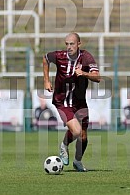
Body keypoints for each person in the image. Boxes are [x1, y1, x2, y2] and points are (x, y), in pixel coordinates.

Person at [43, 32, 100, 172]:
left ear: (79, 44)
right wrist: (46, 80)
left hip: (80, 102)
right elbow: (45, 59)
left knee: (84, 137)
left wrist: (84, 73)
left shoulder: (86, 57)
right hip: (62, 101)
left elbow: (97, 77)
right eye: (67, 44)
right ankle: (64, 145)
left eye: (72, 44)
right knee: (76, 131)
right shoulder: (59, 56)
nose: (69, 47)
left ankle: (77, 161)